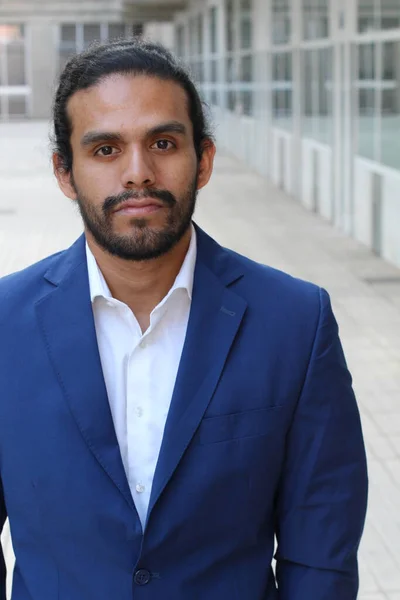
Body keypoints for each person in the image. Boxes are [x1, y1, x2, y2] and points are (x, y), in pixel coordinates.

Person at [0, 39, 368, 600]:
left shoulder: (296, 321)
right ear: (64, 172)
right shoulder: (5, 323)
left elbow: (320, 552)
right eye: (105, 150)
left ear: (205, 160)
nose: (138, 173)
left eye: (163, 143)